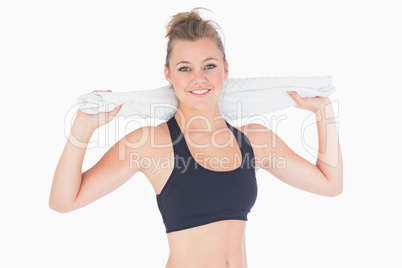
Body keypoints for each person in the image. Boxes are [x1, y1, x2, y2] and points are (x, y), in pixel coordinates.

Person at [49, 7, 343, 268]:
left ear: (225, 69)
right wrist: (82, 129)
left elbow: (330, 185)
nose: (198, 78)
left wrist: (323, 113)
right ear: (168, 74)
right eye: (185, 68)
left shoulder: (256, 141)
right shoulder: (150, 144)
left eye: (209, 66)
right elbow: (63, 201)